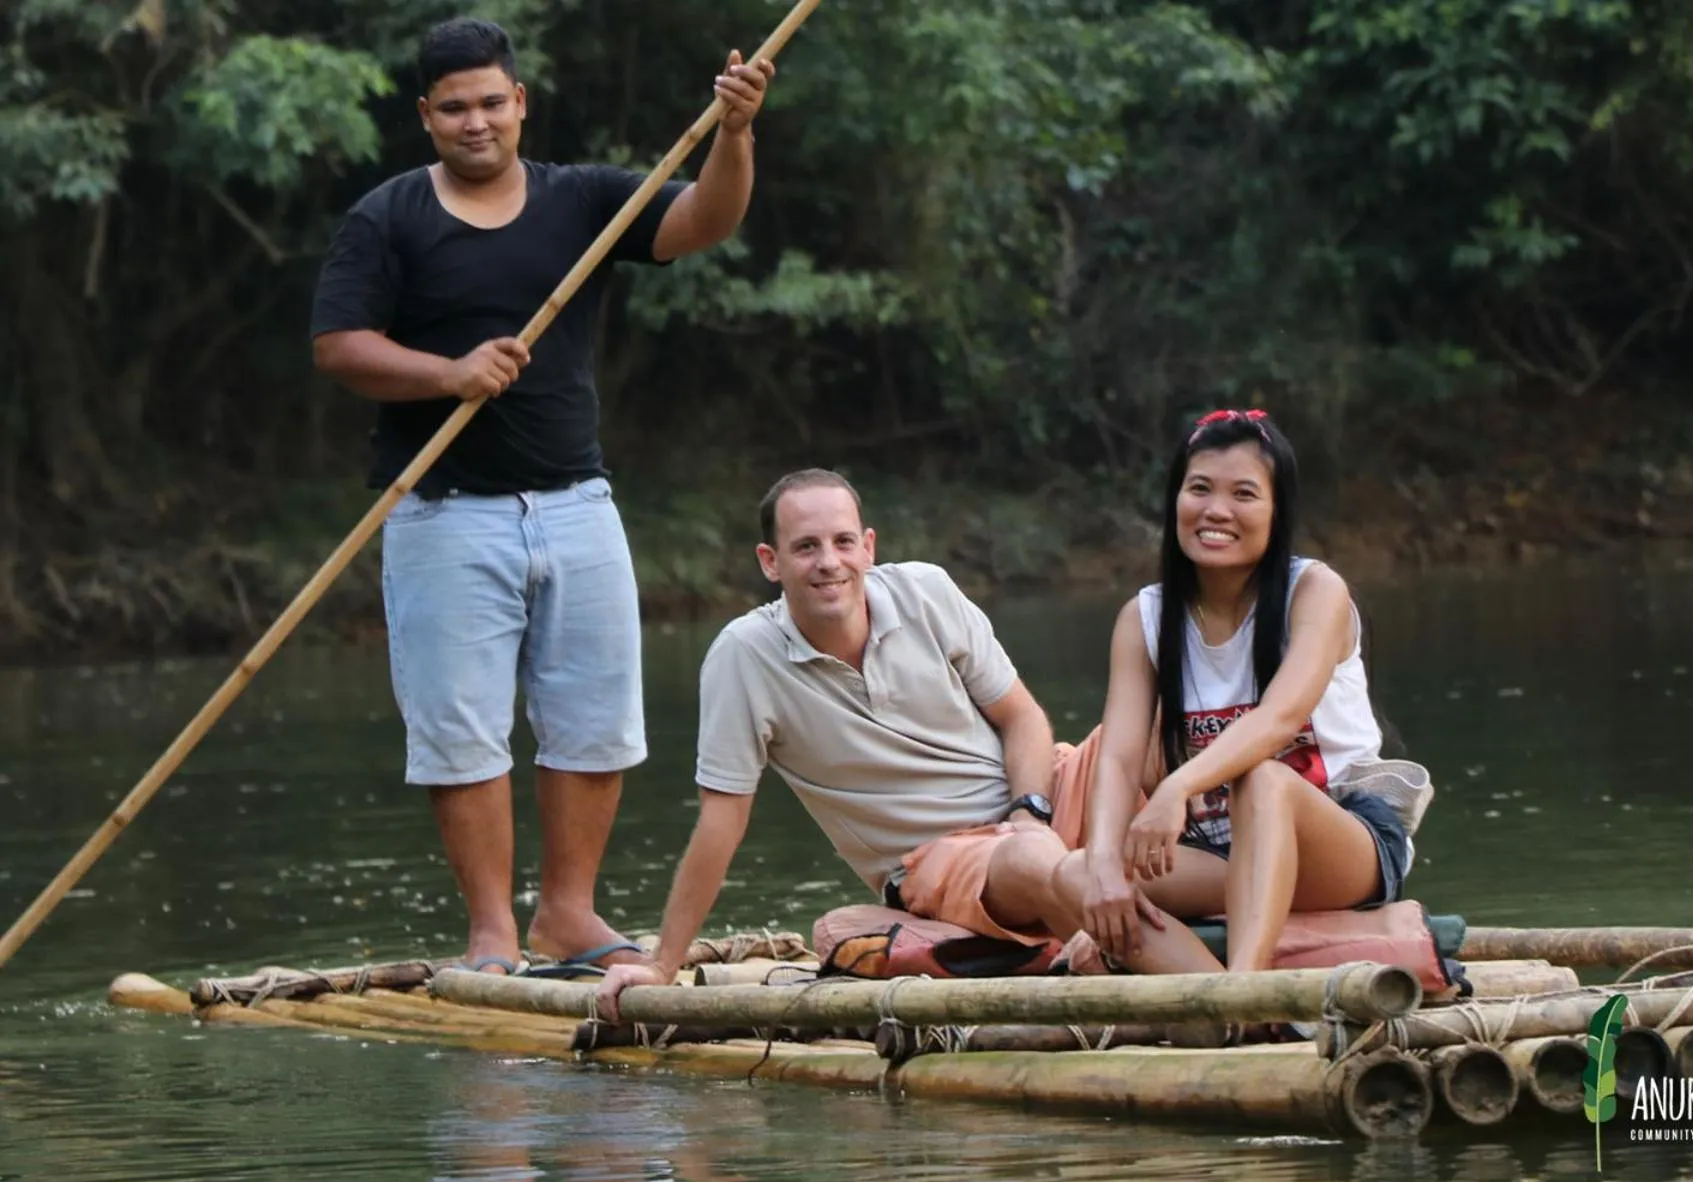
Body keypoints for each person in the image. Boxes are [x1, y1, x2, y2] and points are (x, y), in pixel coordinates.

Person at [308, 17, 777, 974]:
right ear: (426, 117)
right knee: (463, 731)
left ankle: (568, 914)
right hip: (442, 512)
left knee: (595, 718)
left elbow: (703, 222)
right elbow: (339, 345)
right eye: (455, 108)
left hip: (576, 503)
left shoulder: (586, 201)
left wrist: (735, 133)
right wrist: (449, 373)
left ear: (519, 103)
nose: (475, 122)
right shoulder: (388, 216)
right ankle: (491, 932)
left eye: (491, 103)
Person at [593, 468, 1251, 1019]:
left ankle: (1302, 864)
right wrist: (662, 965)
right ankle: (1237, 1016)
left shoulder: (924, 591)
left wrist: (1029, 811)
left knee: (1163, 728)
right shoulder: (744, 657)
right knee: (1038, 867)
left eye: (843, 541)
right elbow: (720, 823)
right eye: (806, 547)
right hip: (942, 861)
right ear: (771, 562)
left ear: (868, 546)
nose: (829, 562)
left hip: (1040, 800)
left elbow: (1022, 719)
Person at [1076, 408, 1416, 973]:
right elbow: (1117, 757)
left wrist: (1175, 788)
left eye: (1244, 494)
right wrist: (1106, 862)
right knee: (1076, 872)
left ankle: (1245, 988)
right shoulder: (1145, 617)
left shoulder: (1315, 592)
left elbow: (1280, 720)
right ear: (1175, 500)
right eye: (1200, 489)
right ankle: (1211, 1001)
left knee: (1264, 780)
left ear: (1277, 511)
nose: (1216, 511)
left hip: (1342, 842)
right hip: (1225, 855)